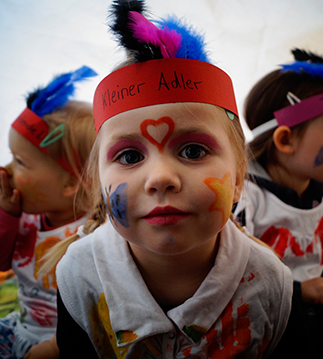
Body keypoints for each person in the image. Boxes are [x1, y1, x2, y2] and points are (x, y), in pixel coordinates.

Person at [54, 1, 293, 358]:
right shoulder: (79, 276)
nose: (161, 178)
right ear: (99, 184)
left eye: (193, 151)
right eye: (130, 156)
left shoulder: (270, 283)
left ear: (240, 177)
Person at [233, 49, 323, 358]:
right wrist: (300, 293)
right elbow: (234, 278)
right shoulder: (244, 201)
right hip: (267, 326)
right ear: (285, 140)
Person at [0, 65, 97, 359]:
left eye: (20, 162)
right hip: (20, 328)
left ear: (69, 183)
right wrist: (6, 215)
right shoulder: (23, 217)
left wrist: (54, 348)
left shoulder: (94, 234)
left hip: (67, 343)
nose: (5, 170)